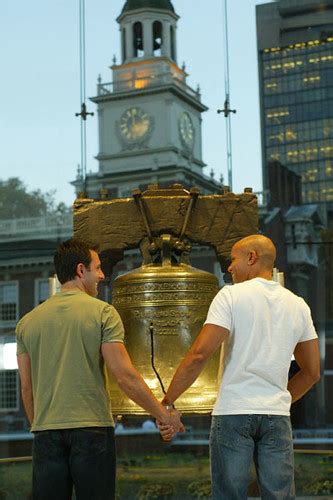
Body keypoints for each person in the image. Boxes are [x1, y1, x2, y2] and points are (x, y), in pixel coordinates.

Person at [16, 238, 182, 500]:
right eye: (98, 268)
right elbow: (124, 376)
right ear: (81, 270)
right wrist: (163, 414)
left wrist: (40, 425)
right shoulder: (103, 313)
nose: (103, 275)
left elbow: (27, 388)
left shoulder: (27, 322)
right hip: (91, 430)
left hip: (45, 432)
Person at [159, 234, 320, 499]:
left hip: (233, 412)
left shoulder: (230, 296)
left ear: (251, 257)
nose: (230, 267)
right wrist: (279, 400)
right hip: (276, 417)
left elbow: (199, 354)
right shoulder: (298, 304)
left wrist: (168, 401)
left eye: (233, 260)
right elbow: (312, 372)